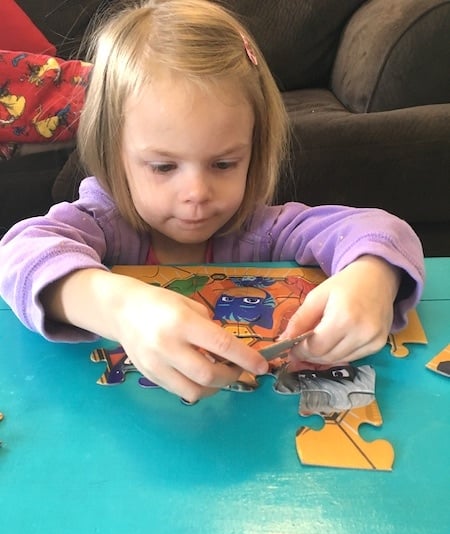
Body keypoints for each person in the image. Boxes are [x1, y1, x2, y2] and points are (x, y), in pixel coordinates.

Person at [0, 0, 424, 404]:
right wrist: (120, 308)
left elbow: (381, 230)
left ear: (254, 153)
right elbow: (20, 254)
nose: (197, 193)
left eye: (223, 163)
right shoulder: (102, 222)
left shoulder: (264, 230)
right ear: (115, 155)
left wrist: (374, 277)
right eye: (164, 167)